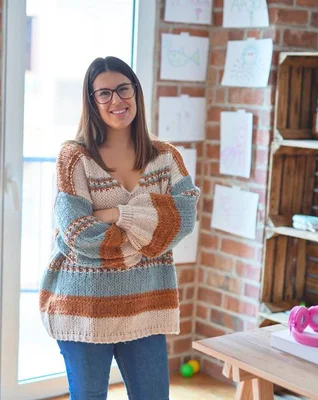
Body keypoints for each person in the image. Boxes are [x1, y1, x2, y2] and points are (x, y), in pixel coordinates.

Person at [39, 56, 200, 400]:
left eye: (123, 89)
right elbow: (78, 233)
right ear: (92, 101)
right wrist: (147, 234)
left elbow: (184, 218)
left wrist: (114, 214)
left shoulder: (166, 157)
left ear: (137, 93)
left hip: (145, 304)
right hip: (85, 305)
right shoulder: (75, 157)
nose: (116, 100)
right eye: (104, 93)